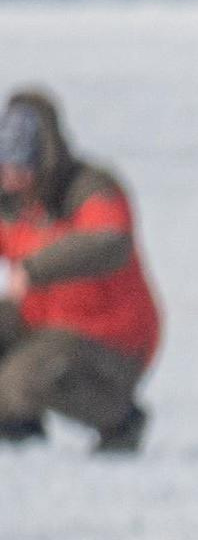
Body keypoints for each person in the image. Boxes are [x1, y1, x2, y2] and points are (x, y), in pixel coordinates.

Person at [0, 90, 162, 453]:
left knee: (22, 378)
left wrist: (36, 268)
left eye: (19, 164)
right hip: (42, 325)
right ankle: (15, 427)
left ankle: (121, 420)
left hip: (111, 337)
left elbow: (109, 242)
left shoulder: (90, 189)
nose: (10, 175)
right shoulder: (10, 203)